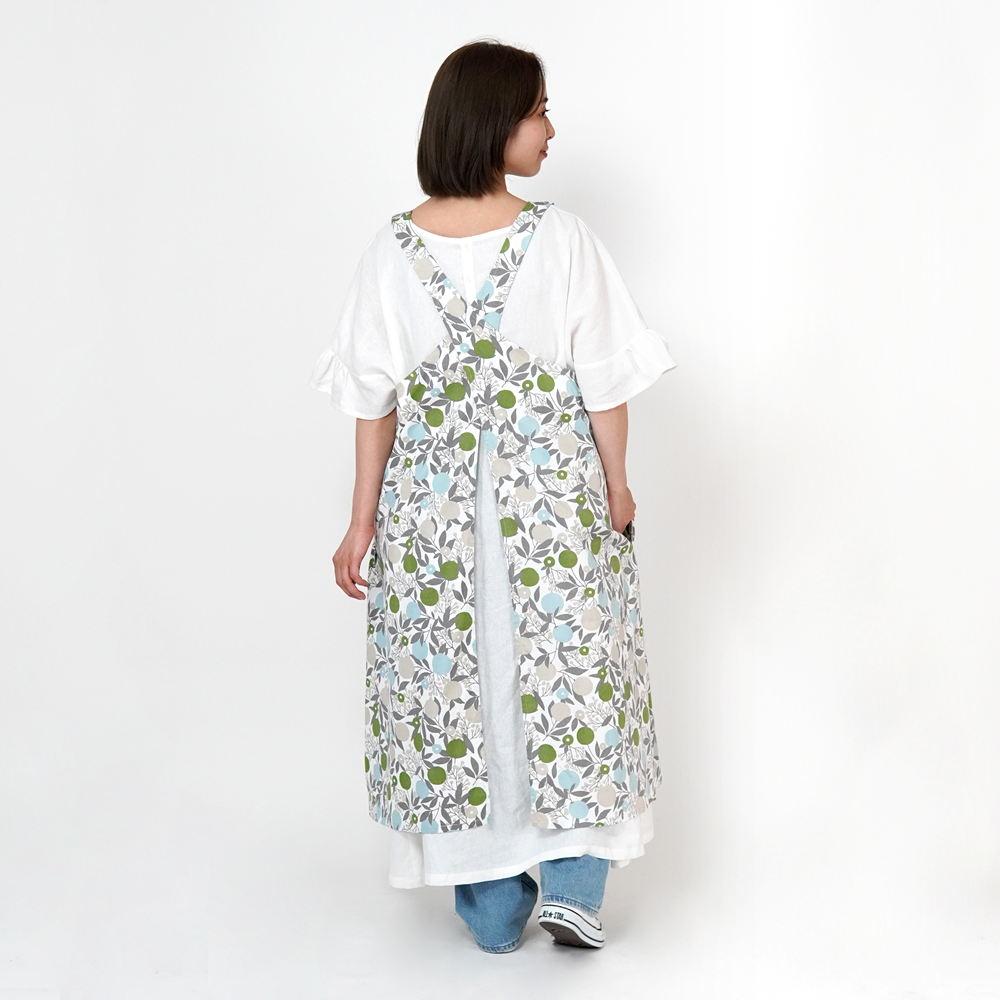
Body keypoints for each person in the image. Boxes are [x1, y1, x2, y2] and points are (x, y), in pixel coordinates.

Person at [311, 39, 676, 953]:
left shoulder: (391, 252)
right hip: (553, 502)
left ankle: (494, 904)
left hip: (432, 517)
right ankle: (574, 885)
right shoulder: (560, 239)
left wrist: (363, 522)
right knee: (572, 672)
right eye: (538, 109)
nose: (551, 129)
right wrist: (617, 485)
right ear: (492, 120)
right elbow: (602, 381)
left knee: (448, 686)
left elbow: (373, 403)